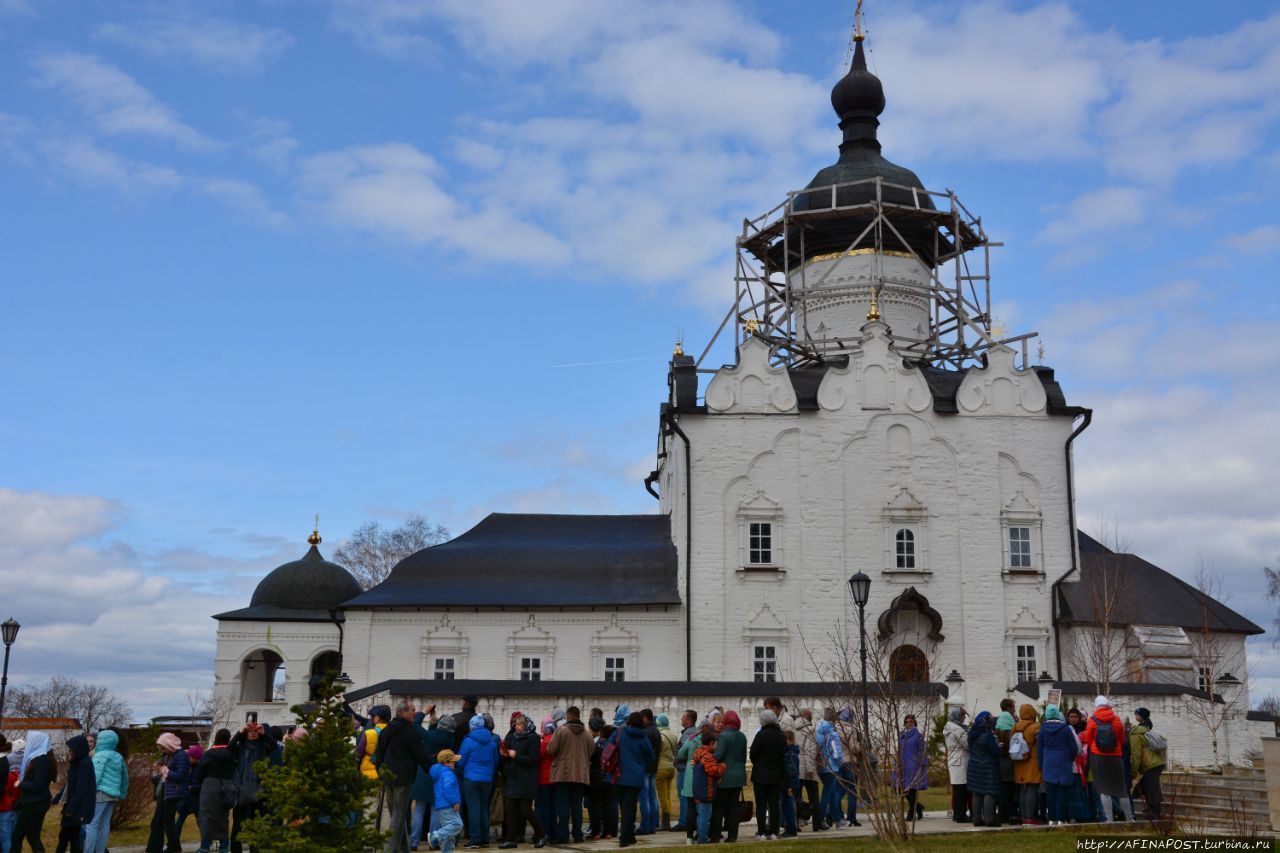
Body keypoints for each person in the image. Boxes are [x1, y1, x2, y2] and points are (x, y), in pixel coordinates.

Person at [375, 701, 438, 853]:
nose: (415, 712)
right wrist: (434, 771)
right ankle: (390, 850)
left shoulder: (387, 730)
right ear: (403, 712)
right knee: (398, 816)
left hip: (388, 777)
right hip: (403, 779)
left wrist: (381, 773)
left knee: (398, 814)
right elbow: (420, 755)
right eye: (412, 710)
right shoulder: (409, 731)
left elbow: (379, 755)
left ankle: (404, 849)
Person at [1081, 696, 1133, 822]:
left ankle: (1109, 819)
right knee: (1122, 789)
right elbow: (1122, 739)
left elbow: (1087, 739)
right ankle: (1130, 819)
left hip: (1098, 757)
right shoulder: (1117, 720)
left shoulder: (1092, 721)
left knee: (1104, 790)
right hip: (1115, 757)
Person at [497, 714, 545, 849]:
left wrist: (517, 756)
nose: (517, 727)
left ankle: (541, 835)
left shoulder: (533, 738)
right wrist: (504, 755)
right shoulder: (512, 737)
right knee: (509, 809)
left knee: (526, 810)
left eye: (519, 725)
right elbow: (508, 757)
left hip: (526, 779)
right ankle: (511, 839)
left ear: (526, 725)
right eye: (516, 725)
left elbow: (534, 760)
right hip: (513, 778)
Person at [546, 707, 593, 844]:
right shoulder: (586, 733)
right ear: (578, 716)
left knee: (563, 806)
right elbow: (591, 750)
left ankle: (563, 835)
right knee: (577, 807)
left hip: (563, 774)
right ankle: (578, 835)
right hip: (580, 774)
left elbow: (551, 749)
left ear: (568, 716)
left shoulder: (562, 731)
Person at [229, 721, 276, 853]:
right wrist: (240, 732)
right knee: (238, 826)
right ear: (246, 733)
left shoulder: (264, 747)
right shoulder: (240, 747)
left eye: (255, 731)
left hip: (259, 791)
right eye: (250, 731)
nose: (253, 733)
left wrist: (264, 733)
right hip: (241, 790)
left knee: (256, 826)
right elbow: (230, 747)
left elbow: (273, 746)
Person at [612, 711, 655, 849]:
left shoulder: (620, 732)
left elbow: (609, 747)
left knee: (623, 807)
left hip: (618, 775)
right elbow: (650, 756)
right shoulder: (643, 737)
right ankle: (628, 836)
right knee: (629, 807)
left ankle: (625, 837)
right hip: (636, 776)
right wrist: (641, 767)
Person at [412, 708, 452, 851]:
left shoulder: (431, 737)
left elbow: (415, 726)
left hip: (424, 774)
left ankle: (414, 842)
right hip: (440, 776)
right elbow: (436, 734)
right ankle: (433, 842)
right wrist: (434, 720)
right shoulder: (450, 739)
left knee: (419, 810)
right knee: (436, 810)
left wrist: (424, 712)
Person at [457, 715, 499, 849]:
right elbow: (495, 760)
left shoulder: (468, 741)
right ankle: (485, 838)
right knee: (484, 807)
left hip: (471, 779)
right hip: (487, 779)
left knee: (474, 808)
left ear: (471, 727)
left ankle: (475, 839)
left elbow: (461, 761)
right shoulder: (491, 741)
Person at [192, 729, 236, 853]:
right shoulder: (231, 753)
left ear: (216, 737)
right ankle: (224, 846)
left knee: (206, 816)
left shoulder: (209, 754)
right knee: (223, 817)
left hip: (210, 786)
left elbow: (199, 773)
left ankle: (205, 846)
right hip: (228, 786)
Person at [84, 730, 128, 853]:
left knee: (91, 824)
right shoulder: (118, 756)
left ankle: (88, 851)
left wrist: (87, 792)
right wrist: (123, 793)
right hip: (113, 795)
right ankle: (100, 850)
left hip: (100, 793)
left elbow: (95, 776)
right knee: (104, 825)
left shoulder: (100, 755)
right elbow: (125, 777)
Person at [52, 735, 95, 853]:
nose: (69, 752)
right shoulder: (77, 763)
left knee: (68, 836)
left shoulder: (84, 764)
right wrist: (57, 798)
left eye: (71, 749)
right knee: (68, 837)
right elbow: (70, 785)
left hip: (76, 807)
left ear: (79, 749)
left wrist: (71, 808)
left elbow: (81, 789)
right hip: (73, 805)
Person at [146, 733, 189, 853]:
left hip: (173, 793)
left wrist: (163, 770)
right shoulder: (169, 755)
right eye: (160, 748)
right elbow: (164, 773)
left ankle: (174, 847)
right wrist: (158, 773)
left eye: (163, 747)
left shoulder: (181, 755)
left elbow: (180, 776)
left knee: (167, 822)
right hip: (165, 792)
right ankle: (160, 848)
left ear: (169, 745)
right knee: (159, 821)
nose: (162, 751)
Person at [13, 733, 56, 853]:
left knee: (30, 837)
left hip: (35, 804)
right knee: (20, 836)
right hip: (33, 802)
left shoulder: (41, 761)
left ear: (36, 742)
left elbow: (39, 785)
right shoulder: (38, 759)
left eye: (30, 740)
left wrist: (20, 784)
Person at [1036, 706, 1078, 826]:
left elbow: (1039, 749)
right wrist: (1070, 758)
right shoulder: (1065, 729)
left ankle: (1051, 818)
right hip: (1063, 762)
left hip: (1048, 763)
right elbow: (1074, 747)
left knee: (1051, 792)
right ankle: (1061, 819)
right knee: (1062, 792)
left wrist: (1041, 764)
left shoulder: (1043, 729)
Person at [709, 710, 746, 844]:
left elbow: (719, 755)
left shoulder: (723, 736)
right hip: (739, 776)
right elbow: (742, 755)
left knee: (719, 807)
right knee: (734, 807)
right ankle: (732, 835)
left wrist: (708, 758)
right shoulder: (742, 736)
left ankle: (716, 835)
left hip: (724, 776)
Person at [749, 709, 786, 840]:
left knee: (761, 805)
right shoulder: (782, 735)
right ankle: (774, 832)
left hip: (761, 775)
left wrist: (759, 763)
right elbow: (783, 755)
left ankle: (762, 832)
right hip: (777, 775)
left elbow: (753, 754)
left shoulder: (761, 735)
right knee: (774, 804)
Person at [965, 712, 1002, 828]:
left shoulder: (972, 735)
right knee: (989, 792)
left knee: (977, 792)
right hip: (988, 766)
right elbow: (995, 751)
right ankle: (989, 819)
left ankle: (976, 819)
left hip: (974, 766)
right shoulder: (987, 736)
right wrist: (1000, 746)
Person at [1128, 708, 1165, 821]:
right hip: (1156, 763)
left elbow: (1136, 755)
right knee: (1145, 787)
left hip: (1151, 765)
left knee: (1151, 789)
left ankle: (1154, 814)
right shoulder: (1144, 730)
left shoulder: (1135, 735)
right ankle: (1150, 808)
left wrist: (1133, 772)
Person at [689, 732, 723, 845]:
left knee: (700, 815)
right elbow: (713, 771)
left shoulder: (698, 753)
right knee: (705, 817)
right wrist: (722, 767)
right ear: (711, 743)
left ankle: (700, 836)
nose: (716, 746)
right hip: (706, 791)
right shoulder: (708, 757)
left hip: (697, 790)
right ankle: (703, 839)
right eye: (716, 744)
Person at [428, 751, 464, 853]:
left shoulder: (439, 772)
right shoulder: (448, 773)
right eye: (453, 761)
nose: (455, 763)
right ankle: (435, 836)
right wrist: (455, 802)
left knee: (449, 835)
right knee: (457, 824)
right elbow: (448, 788)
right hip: (448, 805)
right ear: (446, 762)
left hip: (441, 805)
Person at [1012, 703, 1042, 825]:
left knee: (1022, 790)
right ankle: (1030, 817)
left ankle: (1024, 816)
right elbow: (1041, 742)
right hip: (1032, 762)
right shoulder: (1035, 727)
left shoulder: (1015, 726)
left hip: (1019, 761)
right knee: (1032, 789)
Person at [896, 714, 928, 823]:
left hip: (913, 766)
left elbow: (921, 751)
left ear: (914, 723)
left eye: (910, 722)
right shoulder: (901, 735)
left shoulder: (918, 736)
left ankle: (911, 813)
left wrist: (921, 764)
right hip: (902, 766)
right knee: (898, 789)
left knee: (911, 790)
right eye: (906, 722)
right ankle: (918, 807)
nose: (908, 724)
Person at [815, 709, 843, 830]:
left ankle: (836, 819)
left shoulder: (817, 731)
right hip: (831, 767)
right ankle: (821, 819)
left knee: (830, 794)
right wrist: (838, 764)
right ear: (834, 720)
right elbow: (836, 753)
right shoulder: (832, 733)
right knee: (828, 794)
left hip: (820, 766)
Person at [794, 710, 821, 831]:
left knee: (795, 798)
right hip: (807, 769)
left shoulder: (793, 728)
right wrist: (811, 769)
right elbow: (810, 751)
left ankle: (794, 824)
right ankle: (817, 824)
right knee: (814, 798)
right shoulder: (811, 730)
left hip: (796, 768)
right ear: (809, 718)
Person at [943, 707, 970, 823]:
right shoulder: (957, 730)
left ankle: (957, 814)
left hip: (954, 760)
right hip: (960, 761)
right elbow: (967, 745)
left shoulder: (948, 727)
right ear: (958, 716)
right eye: (963, 716)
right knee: (961, 790)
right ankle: (960, 815)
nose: (964, 718)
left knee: (957, 789)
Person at [672, 711, 697, 833]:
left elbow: (685, 751)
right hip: (686, 768)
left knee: (684, 797)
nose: (681, 719)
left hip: (684, 769)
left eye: (683, 717)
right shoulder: (693, 732)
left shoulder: (688, 733)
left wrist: (678, 757)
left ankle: (684, 822)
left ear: (689, 720)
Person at [653, 715, 678, 832]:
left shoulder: (660, 735)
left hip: (661, 768)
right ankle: (666, 820)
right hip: (671, 768)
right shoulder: (673, 735)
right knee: (668, 795)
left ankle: (665, 822)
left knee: (662, 796)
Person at [637, 710, 660, 835]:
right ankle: (652, 826)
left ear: (646, 718)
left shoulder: (645, 732)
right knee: (652, 798)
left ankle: (645, 826)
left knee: (644, 798)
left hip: (645, 768)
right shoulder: (656, 731)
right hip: (653, 768)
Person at [994, 701, 1018, 824]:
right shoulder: (1011, 730)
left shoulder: (997, 727)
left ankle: (1002, 814)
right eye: (1014, 707)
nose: (1015, 709)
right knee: (1010, 791)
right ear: (1009, 708)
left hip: (1000, 763)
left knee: (1003, 790)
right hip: (1010, 763)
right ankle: (1011, 814)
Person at [2, 742, 22, 853]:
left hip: (7, 806)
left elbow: (5, 790)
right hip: (17, 806)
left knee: (6, 836)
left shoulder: (10, 777)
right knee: (13, 834)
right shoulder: (24, 774)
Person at [780, 729, 800, 837]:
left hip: (790, 784)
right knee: (787, 805)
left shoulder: (790, 753)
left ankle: (791, 829)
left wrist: (790, 785)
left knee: (788, 806)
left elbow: (791, 770)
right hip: (790, 783)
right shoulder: (791, 752)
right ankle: (789, 827)